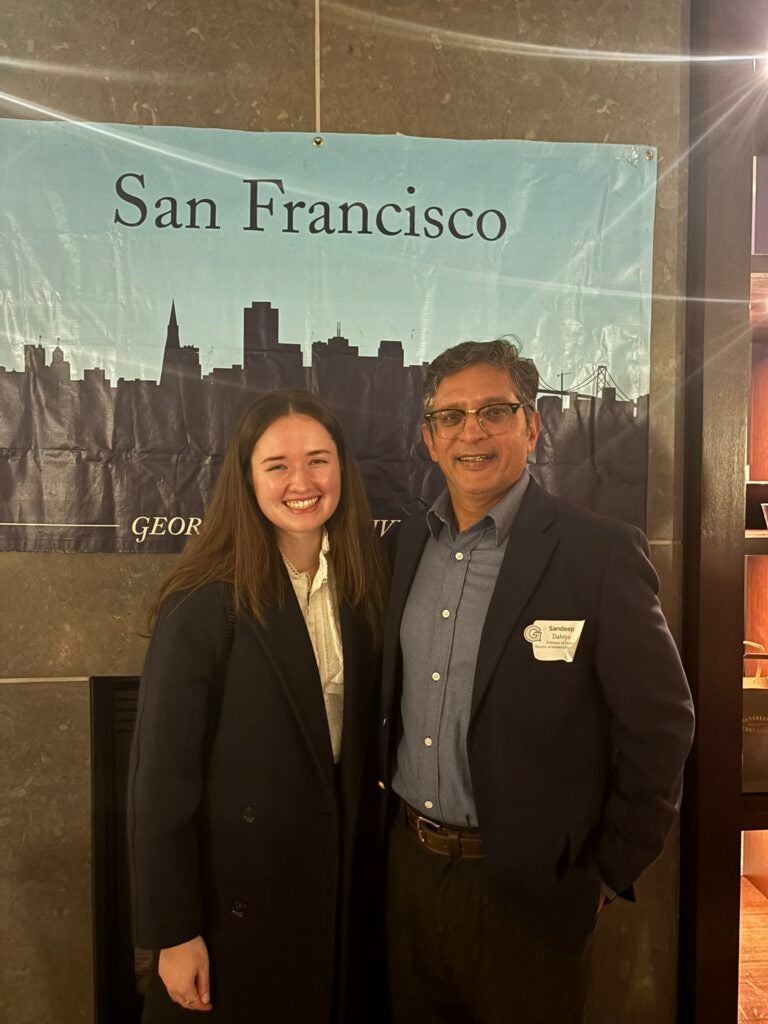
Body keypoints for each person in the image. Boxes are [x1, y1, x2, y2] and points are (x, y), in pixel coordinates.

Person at [377, 339, 695, 1024]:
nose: (473, 432)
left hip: (531, 891)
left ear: (532, 424)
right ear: (430, 439)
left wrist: (606, 874)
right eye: (451, 417)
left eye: (494, 410)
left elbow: (661, 723)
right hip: (408, 876)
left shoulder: (597, 553)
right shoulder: (404, 547)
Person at [128, 389, 387, 1023]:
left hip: (335, 894)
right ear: (247, 480)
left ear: (343, 472)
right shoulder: (203, 603)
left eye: (319, 460)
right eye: (277, 465)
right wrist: (173, 932)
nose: (302, 482)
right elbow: (159, 785)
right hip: (233, 904)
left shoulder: (369, 590)